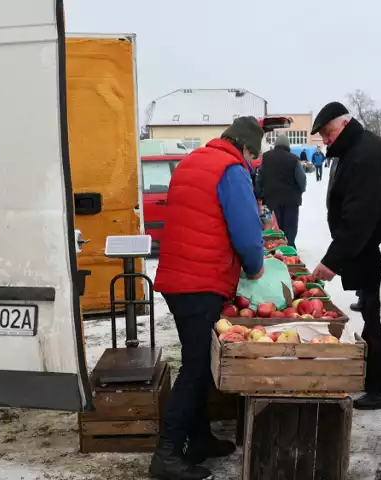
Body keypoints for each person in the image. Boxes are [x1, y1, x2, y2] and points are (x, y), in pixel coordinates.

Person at [150, 116, 266, 480]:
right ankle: (166, 453)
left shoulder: (192, 160)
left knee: (197, 360)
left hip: (177, 277)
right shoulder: (231, 169)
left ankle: (199, 439)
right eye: (254, 158)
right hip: (200, 281)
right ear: (247, 148)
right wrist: (255, 266)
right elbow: (246, 230)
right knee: (198, 367)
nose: (252, 165)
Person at [311, 101, 381, 411]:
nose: (326, 141)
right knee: (373, 317)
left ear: (344, 124)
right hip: (374, 254)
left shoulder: (366, 155)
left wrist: (332, 261)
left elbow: (360, 218)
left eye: (328, 133)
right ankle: (375, 381)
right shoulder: (358, 149)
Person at [256, 135, 307, 248]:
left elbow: (259, 178)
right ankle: (290, 254)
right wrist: (300, 191)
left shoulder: (266, 157)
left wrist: (260, 194)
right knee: (290, 232)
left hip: (271, 202)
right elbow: (301, 180)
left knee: (273, 233)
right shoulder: (294, 159)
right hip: (291, 202)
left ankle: (274, 254)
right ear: (288, 146)